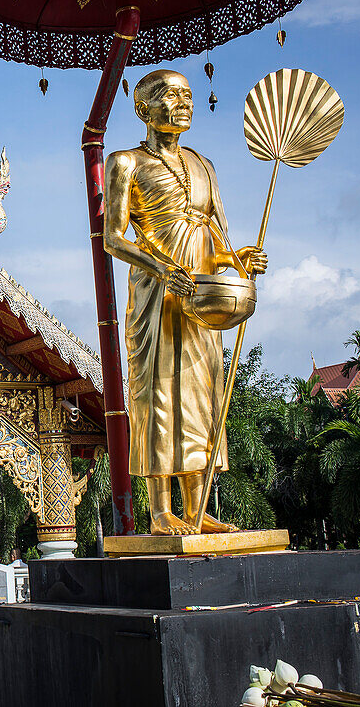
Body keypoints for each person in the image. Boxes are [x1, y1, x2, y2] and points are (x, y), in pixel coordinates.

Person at [103, 69, 267, 535]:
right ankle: (159, 513)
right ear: (144, 108)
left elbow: (216, 235)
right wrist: (160, 268)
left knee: (201, 393)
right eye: (170, 96)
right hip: (157, 291)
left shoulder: (202, 164)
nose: (183, 104)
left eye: (188, 97)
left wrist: (238, 259)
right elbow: (114, 239)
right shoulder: (126, 162)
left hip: (201, 291)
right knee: (157, 393)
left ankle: (197, 510)